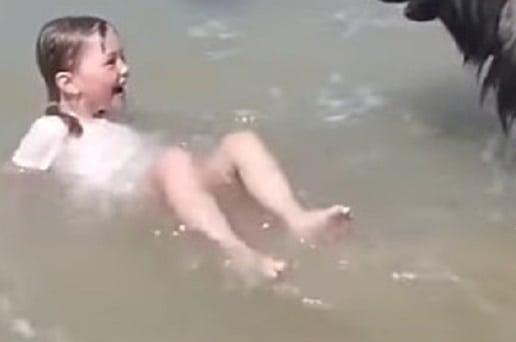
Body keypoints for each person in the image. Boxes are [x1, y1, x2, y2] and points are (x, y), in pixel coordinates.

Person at [9, 16, 352, 283]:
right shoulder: (50, 129)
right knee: (173, 161)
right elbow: (16, 177)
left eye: (123, 58)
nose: (125, 70)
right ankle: (236, 253)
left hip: (175, 184)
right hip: (135, 202)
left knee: (239, 141)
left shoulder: (116, 114)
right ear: (68, 83)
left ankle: (297, 219)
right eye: (111, 62)